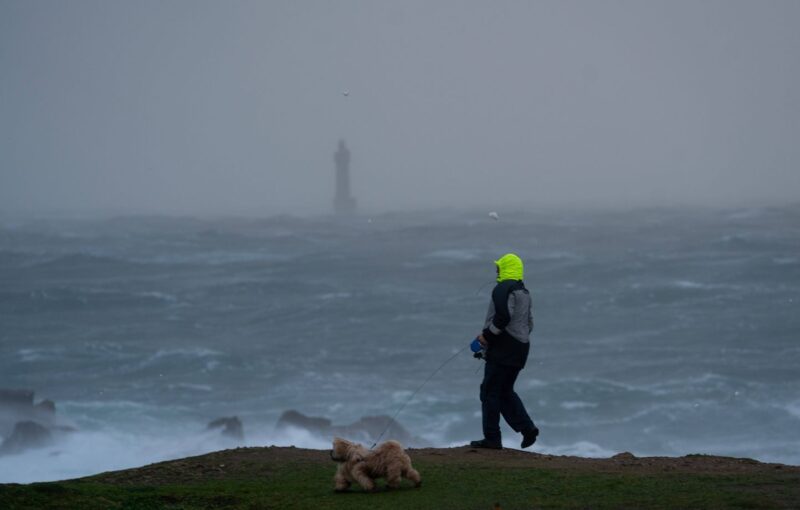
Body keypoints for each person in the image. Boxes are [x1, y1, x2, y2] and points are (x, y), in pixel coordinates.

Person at [470, 253, 539, 450]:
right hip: (521, 349)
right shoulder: (524, 291)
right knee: (505, 391)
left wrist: (486, 337)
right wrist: (517, 339)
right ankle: (528, 429)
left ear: (506, 268)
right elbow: (529, 323)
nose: (497, 271)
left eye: (499, 268)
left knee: (489, 391)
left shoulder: (502, 288)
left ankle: (492, 438)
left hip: (503, 349)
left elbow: (502, 317)